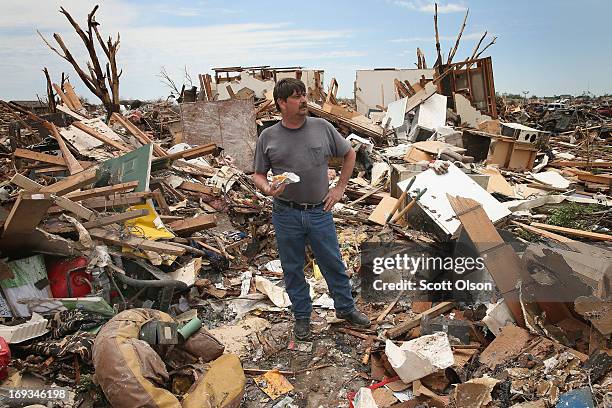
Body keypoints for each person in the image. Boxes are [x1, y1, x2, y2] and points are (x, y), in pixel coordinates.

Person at [253, 78, 371, 340]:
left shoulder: (322, 127)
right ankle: (303, 316)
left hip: (319, 210)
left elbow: (350, 153)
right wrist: (267, 188)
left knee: (332, 262)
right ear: (281, 103)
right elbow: (258, 174)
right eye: (296, 97)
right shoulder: (268, 137)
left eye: (304, 94)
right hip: (286, 212)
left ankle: (345, 308)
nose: (304, 100)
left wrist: (339, 188)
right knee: (292, 267)